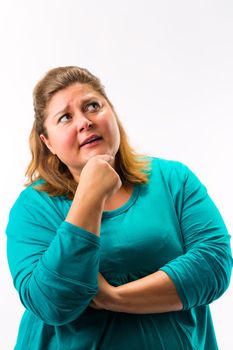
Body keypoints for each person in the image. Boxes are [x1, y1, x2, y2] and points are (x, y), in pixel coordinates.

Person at [6, 66, 232, 350]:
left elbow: (213, 265)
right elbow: (52, 303)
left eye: (93, 106)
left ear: (111, 112)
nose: (84, 122)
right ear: (47, 142)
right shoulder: (33, 207)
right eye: (65, 117)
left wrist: (112, 298)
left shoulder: (174, 179)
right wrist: (89, 195)